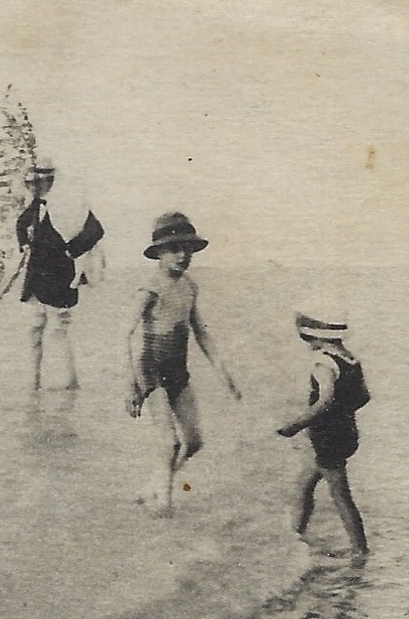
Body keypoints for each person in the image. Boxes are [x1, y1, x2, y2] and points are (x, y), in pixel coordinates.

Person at [125, 213, 241, 516]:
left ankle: (153, 486)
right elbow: (125, 335)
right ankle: (163, 510)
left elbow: (200, 330)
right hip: (150, 370)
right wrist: (130, 384)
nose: (182, 255)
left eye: (187, 248)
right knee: (170, 443)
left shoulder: (189, 286)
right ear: (159, 254)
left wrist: (223, 372)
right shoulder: (150, 288)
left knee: (194, 441)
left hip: (178, 370)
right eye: (174, 249)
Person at [276, 303, 369, 558]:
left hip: (327, 436)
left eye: (306, 338)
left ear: (315, 336)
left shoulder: (322, 363)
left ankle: (360, 550)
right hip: (347, 431)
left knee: (340, 495)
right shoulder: (350, 359)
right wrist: (344, 411)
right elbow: (364, 397)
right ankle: (296, 535)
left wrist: (295, 425)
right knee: (304, 483)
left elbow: (325, 399)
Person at [16, 157, 105, 391]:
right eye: (31, 183)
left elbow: (95, 230)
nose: (35, 187)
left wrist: (71, 250)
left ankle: (67, 384)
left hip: (59, 277)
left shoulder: (70, 206)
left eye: (41, 182)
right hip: (36, 277)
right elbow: (20, 223)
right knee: (33, 328)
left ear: (52, 180)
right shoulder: (37, 205)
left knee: (58, 328)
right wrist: (24, 242)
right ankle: (32, 383)